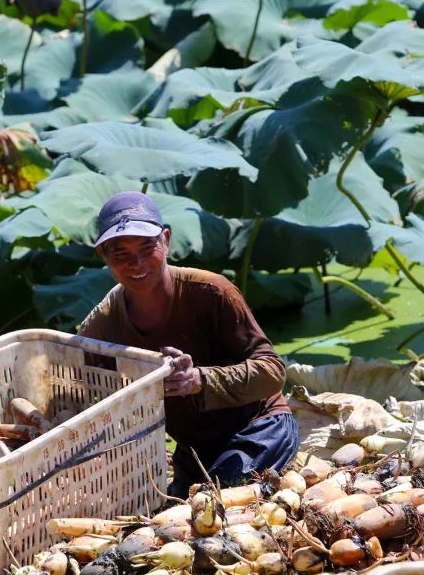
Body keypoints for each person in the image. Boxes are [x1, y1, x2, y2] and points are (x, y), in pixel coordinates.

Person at [78, 191, 299, 497]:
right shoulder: (104, 322)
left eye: (147, 247)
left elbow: (273, 371)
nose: (137, 263)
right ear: (103, 255)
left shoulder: (212, 291)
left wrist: (200, 380)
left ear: (166, 240)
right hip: (194, 449)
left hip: (259, 427)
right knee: (169, 516)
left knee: (213, 501)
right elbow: (74, 383)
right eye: (120, 253)